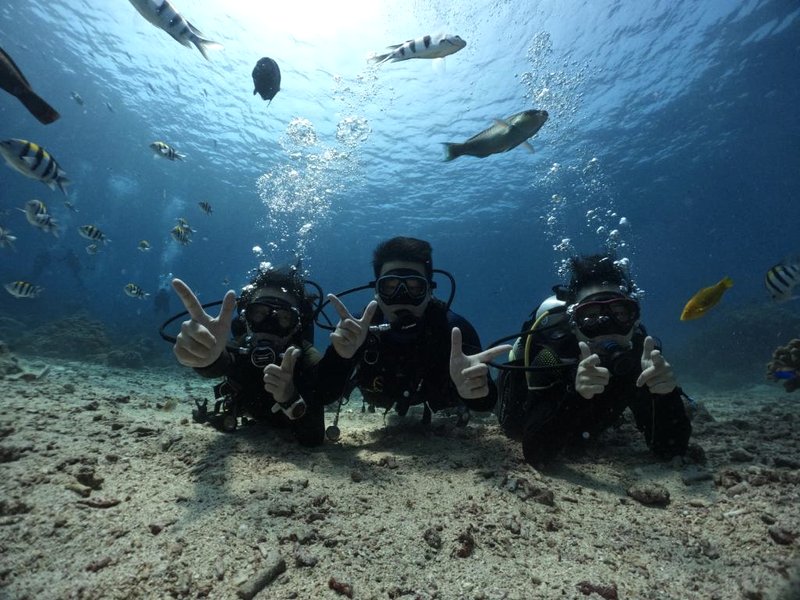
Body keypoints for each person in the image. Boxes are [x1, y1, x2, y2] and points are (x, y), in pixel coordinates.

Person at [496, 253, 692, 465]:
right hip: (527, 411)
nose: (607, 327)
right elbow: (537, 454)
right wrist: (576, 395)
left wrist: (665, 395)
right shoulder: (552, 357)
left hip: (589, 422)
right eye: (590, 317)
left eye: (620, 313)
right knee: (512, 424)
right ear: (574, 324)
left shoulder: (642, 358)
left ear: (634, 320)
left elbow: (670, 449)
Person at [323, 236, 510, 426]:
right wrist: (339, 357)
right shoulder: (358, 330)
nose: (402, 297)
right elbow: (322, 395)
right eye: (390, 287)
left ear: (429, 290)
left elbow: (486, 403)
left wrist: (473, 392)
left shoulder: (454, 331)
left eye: (414, 287)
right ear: (377, 291)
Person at [170, 264, 340, 446]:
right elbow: (221, 361)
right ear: (245, 318)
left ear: (296, 326)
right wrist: (206, 359)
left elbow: (313, 437)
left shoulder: (306, 359)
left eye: (283, 317)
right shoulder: (239, 347)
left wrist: (290, 397)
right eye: (259, 313)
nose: (269, 325)